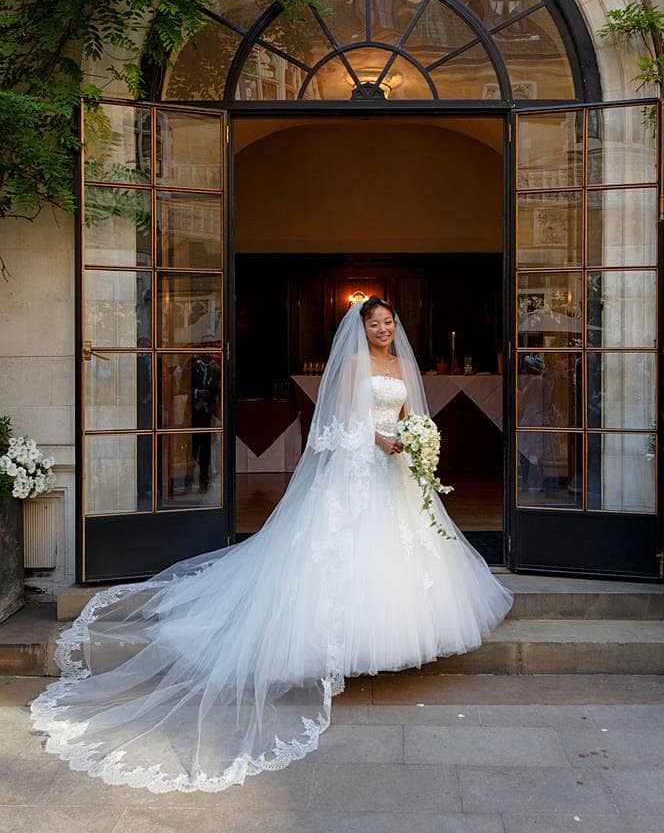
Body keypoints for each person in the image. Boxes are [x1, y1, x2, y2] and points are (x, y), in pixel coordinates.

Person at [30, 297, 513, 792]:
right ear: (362, 327)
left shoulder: (403, 365)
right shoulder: (353, 364)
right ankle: (341, 645)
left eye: (389, 322)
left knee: (406, 549)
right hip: (360, 467)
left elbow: (410, 414)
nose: (384, 329)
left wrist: (415, 438)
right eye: (375, 323)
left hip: (395, 469)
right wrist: (379, 440)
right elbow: (341, 419)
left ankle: (397, 636)